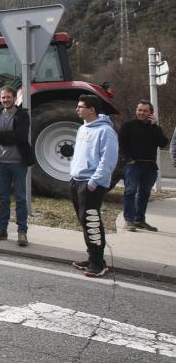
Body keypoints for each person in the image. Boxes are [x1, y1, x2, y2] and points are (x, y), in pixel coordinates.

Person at [69, 94, 119, 278]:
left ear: (92, 110)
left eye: (80, 106)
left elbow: (108, 161)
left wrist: (93, 182)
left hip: (90, 184)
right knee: (85, 221)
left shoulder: (106, 131)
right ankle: (93, 258)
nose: (77, 109)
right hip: (76, 180)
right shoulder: (83, 128)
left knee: (92, 222)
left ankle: (98, 264)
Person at [0, 86, 34, 247]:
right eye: (3, 97)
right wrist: (3, 136)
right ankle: (1, 230)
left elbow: (20, 136)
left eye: (9, 97)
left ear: (14, 98)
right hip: (1, 163)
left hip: (18, 163)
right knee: (3, 198)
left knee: (20, 198)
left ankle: (22, 232)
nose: (6, 100)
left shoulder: (22, 115)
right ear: (0, 99)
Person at [118, 100, 169, 232]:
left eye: (145, 111)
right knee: (130, 192)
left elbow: (163, 143)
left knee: (144, 194)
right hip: (133, 165)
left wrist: (155, 126)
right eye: (139, 110)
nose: (141, 113)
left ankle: (139, 220)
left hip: (150, 166)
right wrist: (127, 159)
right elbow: (121, 144)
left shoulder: (155, 128)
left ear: (150, 113)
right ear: (136, 111)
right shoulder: (128, 126)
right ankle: (129, 221)